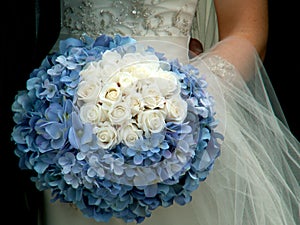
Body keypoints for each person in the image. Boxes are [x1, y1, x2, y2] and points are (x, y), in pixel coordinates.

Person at [10, 0, 299, 225]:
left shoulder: (182, 111)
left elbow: (246, 31)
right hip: (65, 126)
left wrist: (189, 98)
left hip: (175, 125)